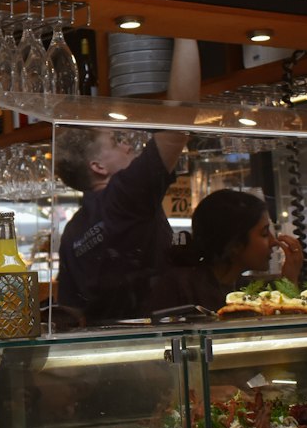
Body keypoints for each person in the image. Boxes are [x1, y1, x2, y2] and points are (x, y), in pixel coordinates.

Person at [54, 38, 200, 324]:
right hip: (154, 345)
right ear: (98, 166)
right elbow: (180, 119)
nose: (128, 146)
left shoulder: (73, 231)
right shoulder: (124, 195)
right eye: (117, 141)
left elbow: (72, 312)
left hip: (108, 351)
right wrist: (187, 32)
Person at [146, 189, 304, 316]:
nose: (274, 242)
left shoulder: (247, 288)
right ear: (234, 244)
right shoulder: (180, 287)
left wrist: (289, 281)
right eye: (264, 234)